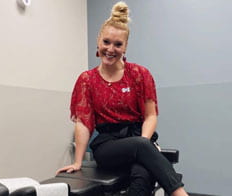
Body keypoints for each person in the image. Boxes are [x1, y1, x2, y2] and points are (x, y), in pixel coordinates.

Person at [57, 2, 189, 196]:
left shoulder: (140, 74)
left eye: (118, 44)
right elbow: (83, 124)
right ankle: (180, 194)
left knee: (143, 176)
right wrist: (77, 162)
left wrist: (143, 144)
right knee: (144, 151)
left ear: (125, 47)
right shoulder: (87, 80)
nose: (111, 49)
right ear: (98, 41)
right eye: (106, 42)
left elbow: (150, 116)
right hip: (108, 146)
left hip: (138, 138)